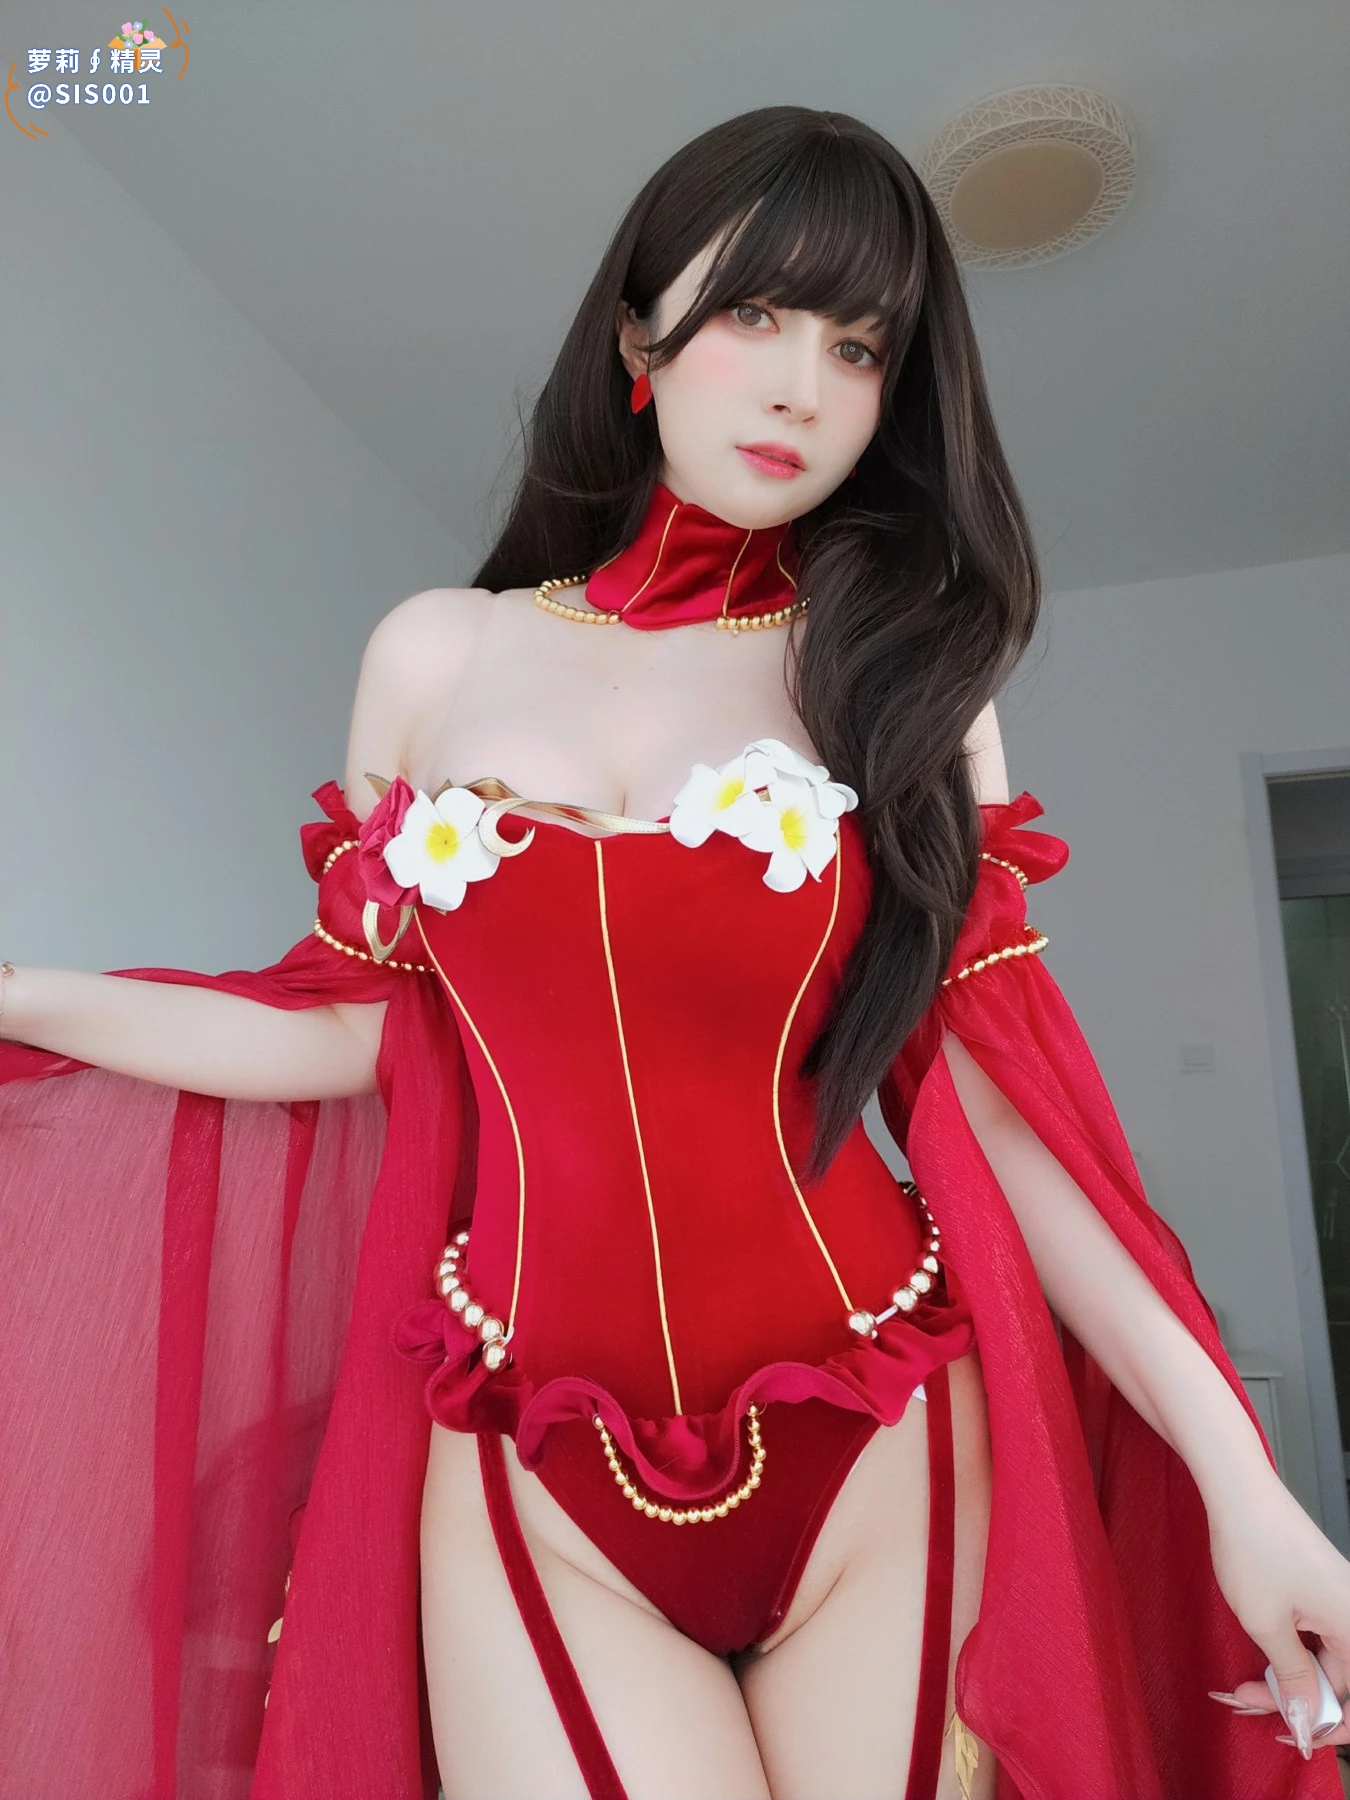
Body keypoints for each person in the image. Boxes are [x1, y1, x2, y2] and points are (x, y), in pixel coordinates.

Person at [0, 104, 1345, 1800]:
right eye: (755, 314)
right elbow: (354, 1022)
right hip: (525, 1449)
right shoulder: (438, 655)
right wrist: (24, 996)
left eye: (857, 347)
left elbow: (1002, 1112)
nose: (801, 388)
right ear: (638, 338)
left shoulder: (904, 669)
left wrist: (1243, 1484)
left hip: (876, 1433)